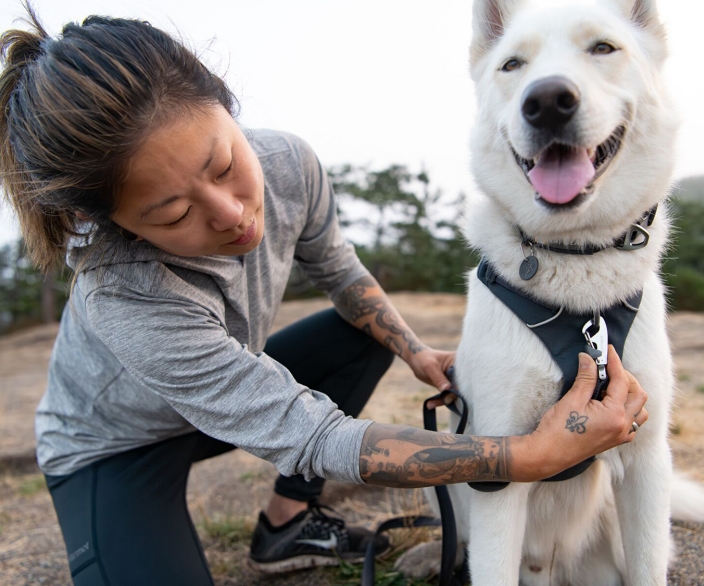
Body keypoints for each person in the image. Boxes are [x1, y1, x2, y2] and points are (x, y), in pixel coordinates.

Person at [0, 5, 649, 586]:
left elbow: (338, 270)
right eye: (172, 214)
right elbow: (307, 433)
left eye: (224, 163)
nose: (231, 214)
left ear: (226, 106)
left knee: (357, 330)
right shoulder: (125, 294)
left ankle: (285, 525)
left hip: (222, 401)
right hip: (117, 447)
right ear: (116, 222)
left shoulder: (287, 163)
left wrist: (417, 352)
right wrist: (527, 456)